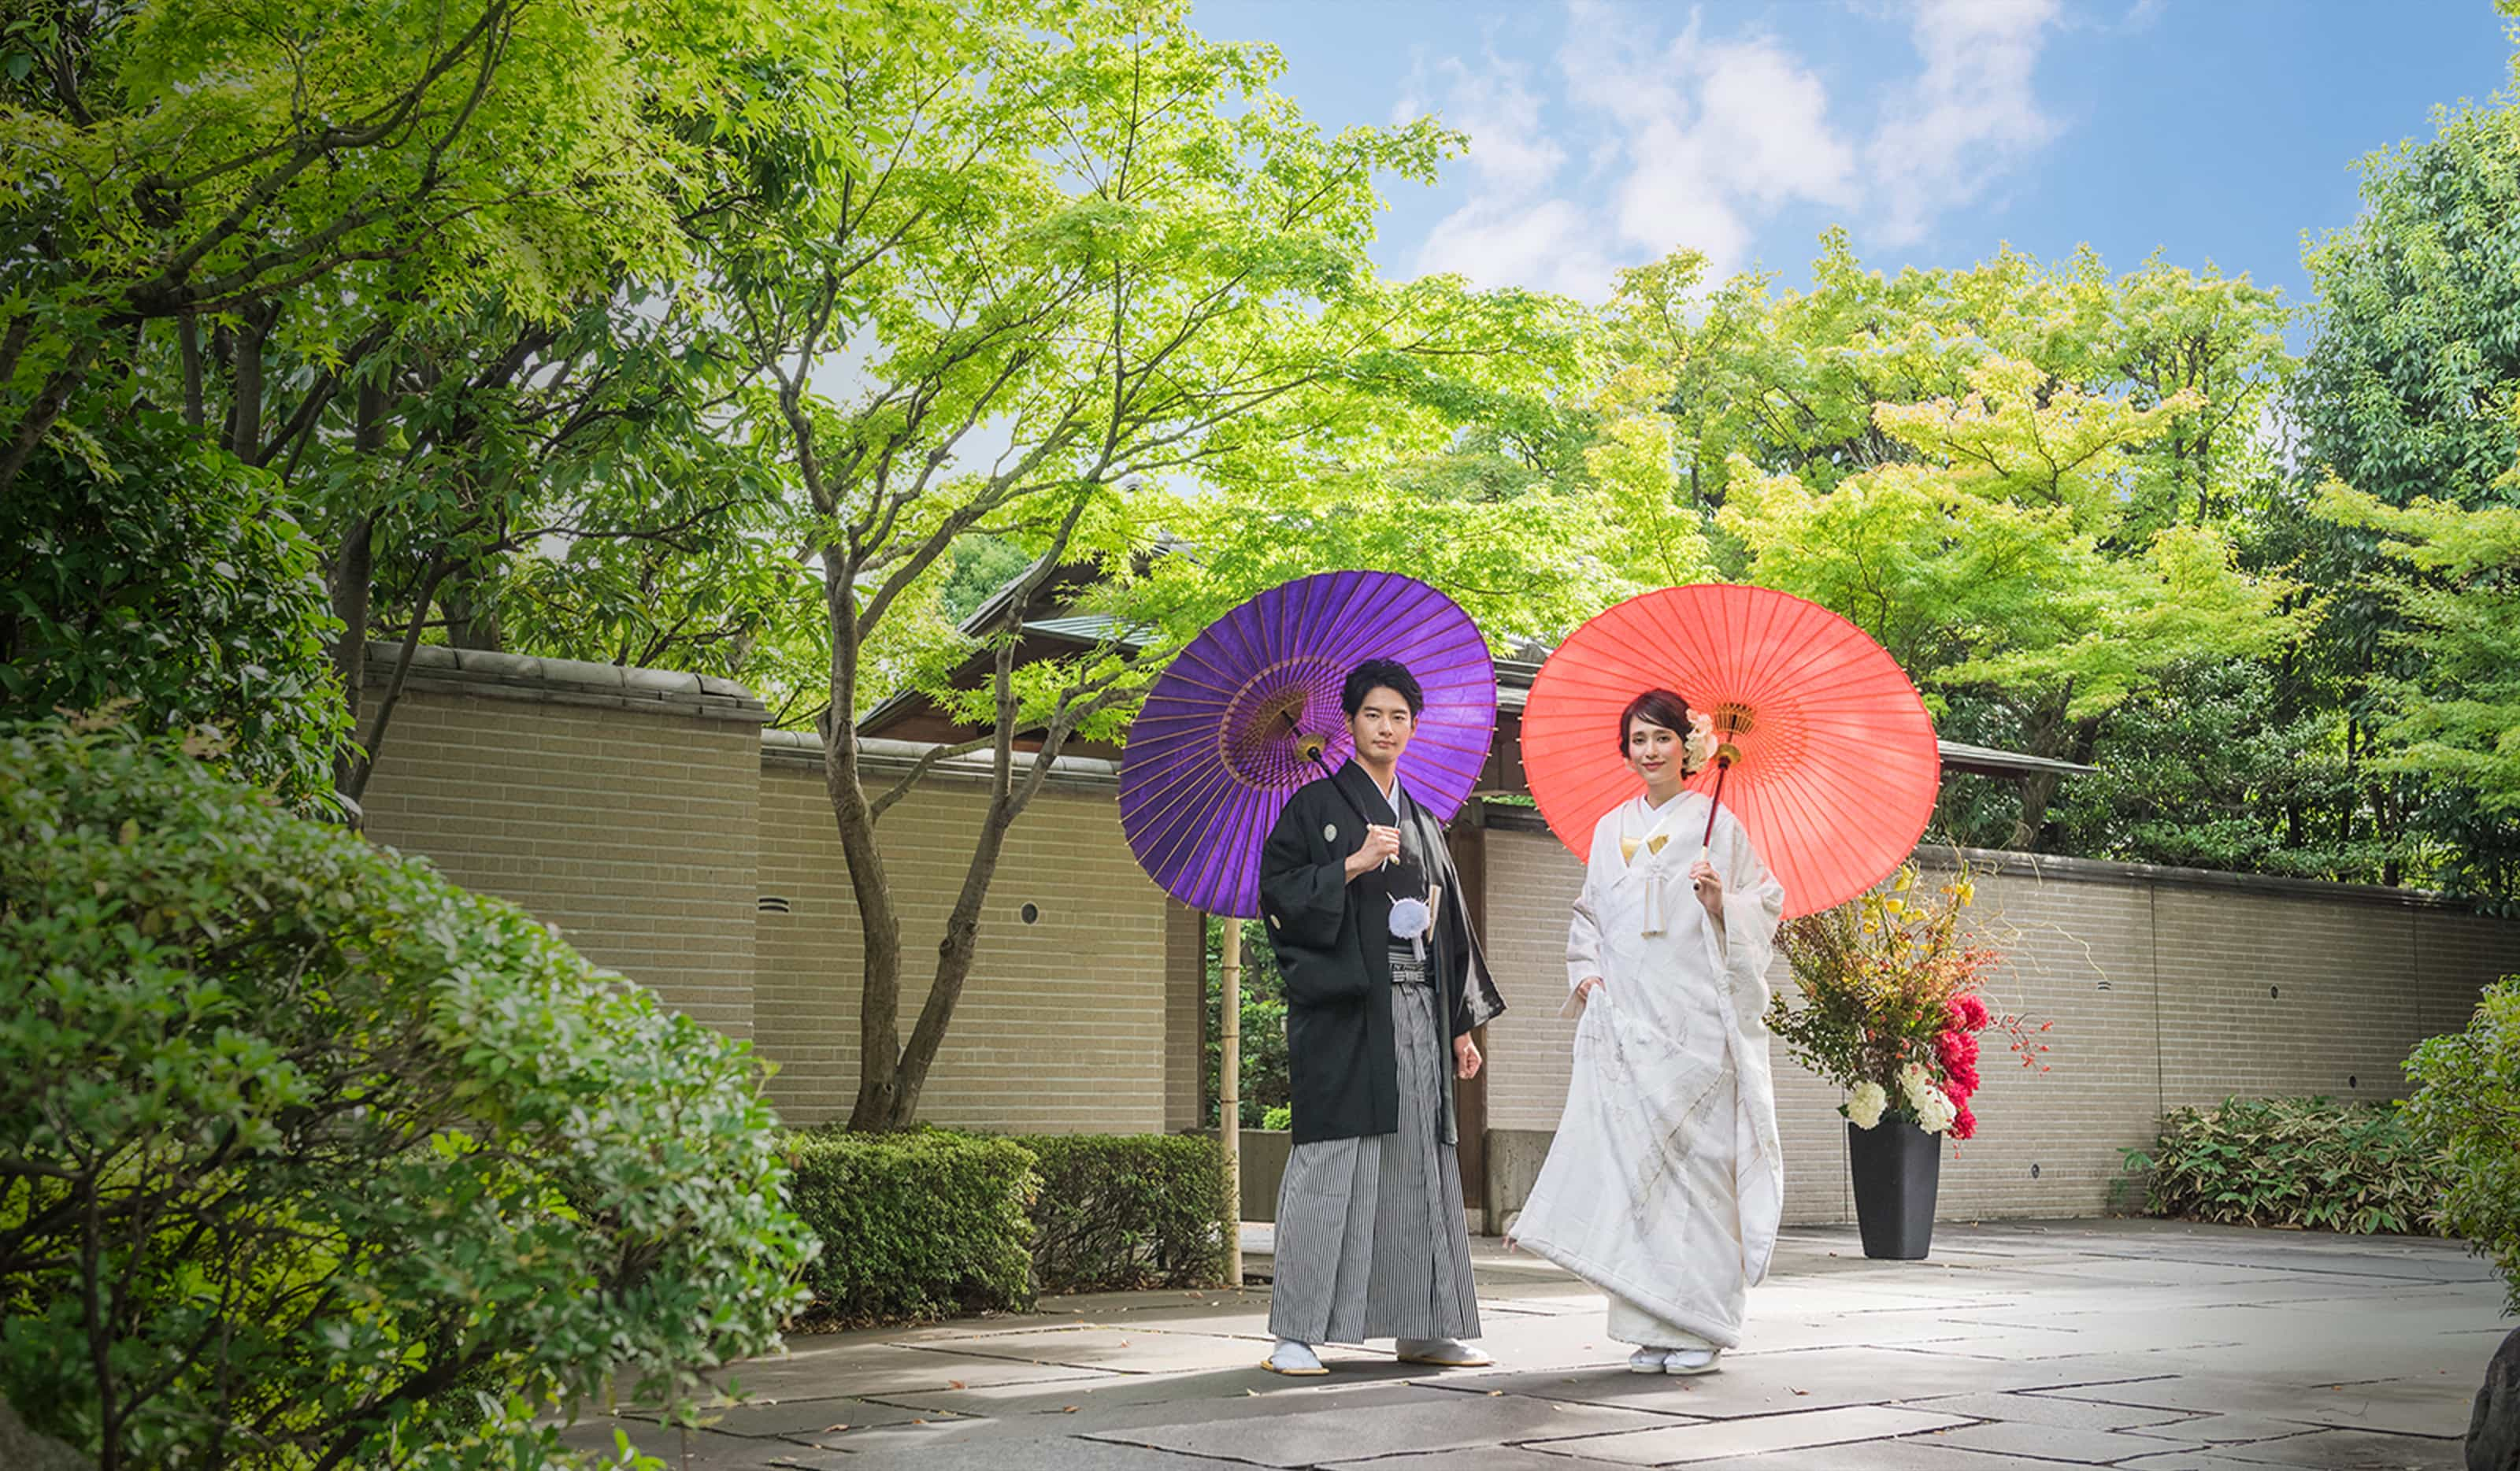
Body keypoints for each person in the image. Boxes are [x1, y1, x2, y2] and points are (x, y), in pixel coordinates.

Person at [1506, 687, 1786, 1377]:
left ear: (1688, 748)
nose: (1650, 751)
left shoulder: (1718, 825)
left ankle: (1703, 1322)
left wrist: (1724, 903)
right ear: (1626, 748)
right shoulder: (1609, 829)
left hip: (1695, 1023)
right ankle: (1649, 1320)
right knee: (1641, 1176)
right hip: (1631, 1024)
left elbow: (1767, 903)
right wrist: (1588, 974)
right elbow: (1588, 915)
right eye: (1638, 739)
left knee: (1700, 1176)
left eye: (1663, 738)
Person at [1254, 657, 1508, 1377]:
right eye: (1373, 715)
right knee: (1332, 1161)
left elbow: (1449, 928)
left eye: (1399, 717)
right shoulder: (1311, 811)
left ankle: (1424, 1326)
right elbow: (1277, 899)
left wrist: (1459, 1023)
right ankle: (1296, 1332)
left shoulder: (1425, 822)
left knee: (1421, 1166)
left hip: (1418, 1012)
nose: (1387, 728)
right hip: (1347, 1014)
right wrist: (1351, 865)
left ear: (1412, 728)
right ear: (1350, 724)